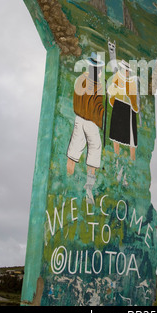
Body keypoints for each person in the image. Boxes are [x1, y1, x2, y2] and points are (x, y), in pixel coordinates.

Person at [67, 52, 105, 204]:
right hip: (91, 122)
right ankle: (89, 188)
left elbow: (77, 98)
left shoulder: (80, 79)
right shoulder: (98, 85)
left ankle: (68, 179)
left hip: (78, 118)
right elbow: (98, 107)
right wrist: (102, 121)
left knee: (74, 151)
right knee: (94, 151)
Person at [108, 59, 138, 164]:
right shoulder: (117, 78)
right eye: (125, 70)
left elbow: (133, 98)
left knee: (131, 138)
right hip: (119, 106)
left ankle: (132, 160)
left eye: (127, 71)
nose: (127, 72)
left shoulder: (131, 82)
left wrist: (134, 106)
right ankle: (117, 158)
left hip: (128, 108)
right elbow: (111, 91)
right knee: (116, 134)